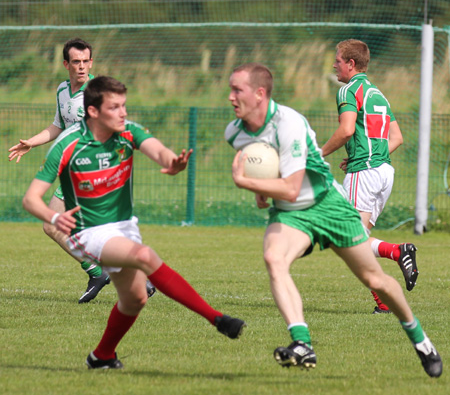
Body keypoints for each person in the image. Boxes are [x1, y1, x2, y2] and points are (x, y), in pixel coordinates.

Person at [224, 62, 442, 377]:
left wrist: (248, 183)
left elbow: (291, 186)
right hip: (292, 214)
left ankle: (420, 340)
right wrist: (261, 191)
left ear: (259, 94)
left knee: (375, 280)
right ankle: (302, 343)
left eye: (237, 90)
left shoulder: (289, 123)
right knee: (274, 257)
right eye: (230, 89)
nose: (231, 97)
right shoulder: (235, 132)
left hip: (328, 205)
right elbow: (275, 176)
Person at [22, 75, 246, 369]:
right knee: (144, 256)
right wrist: (54, 216)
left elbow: (159, 151)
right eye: (115, 107)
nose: (123, 113)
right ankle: (217, 318)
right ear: (93, 111)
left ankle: (101, 356)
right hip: (86, 231)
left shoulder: (128, 132)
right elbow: (31, 199)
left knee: (135, 299)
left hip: (123, 226)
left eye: (124, 106)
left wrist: (172, 162)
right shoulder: (69, 143)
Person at [9, 38, 155, 303]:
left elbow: (118, 125)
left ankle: (111, 274)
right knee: (56, 225)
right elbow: (57, 126)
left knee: (70, 227)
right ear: (66, 64)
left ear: (91, 62)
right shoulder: (62, 90)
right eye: (75, 62)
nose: (81, 67)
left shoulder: (98, 91)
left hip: (96, 171)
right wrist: (32, 141)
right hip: (74, 171)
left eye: (85, 61)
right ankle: (110, 274)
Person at [321, 39, 418, 314]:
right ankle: (384, 301)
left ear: (351, 64)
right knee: (357, 239)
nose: (334, 64)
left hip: (363, 174)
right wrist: (367, 154)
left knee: (350, 241)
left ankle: (397, 253)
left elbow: (346, 130)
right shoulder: (378, 93)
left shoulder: (348, 90)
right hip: (384, 172)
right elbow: (396, 137)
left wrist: (318, 153)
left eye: (338, 60)